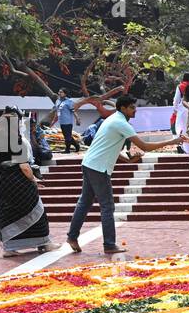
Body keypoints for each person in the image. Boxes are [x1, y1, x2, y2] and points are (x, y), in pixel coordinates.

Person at [66, 94, 182, 255]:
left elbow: (106, 146)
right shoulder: (121, 123)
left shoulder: (113, 119)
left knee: (84, 202)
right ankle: (109, 244)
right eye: (132, 108)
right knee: (107, 206)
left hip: (89, 163)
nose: (135, 111)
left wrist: (127, 161)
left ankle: (72, 236)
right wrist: (171, 142)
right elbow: (145, 146)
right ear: (123, 108)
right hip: (98, 168)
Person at [0, 109, 52, 256]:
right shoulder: (16, 140)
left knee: (9, 213)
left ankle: (9, 247)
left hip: (2, 181)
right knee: (37, 209)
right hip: (19, 181)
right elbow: (24, 166)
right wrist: (34, 180)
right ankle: (43, 243)